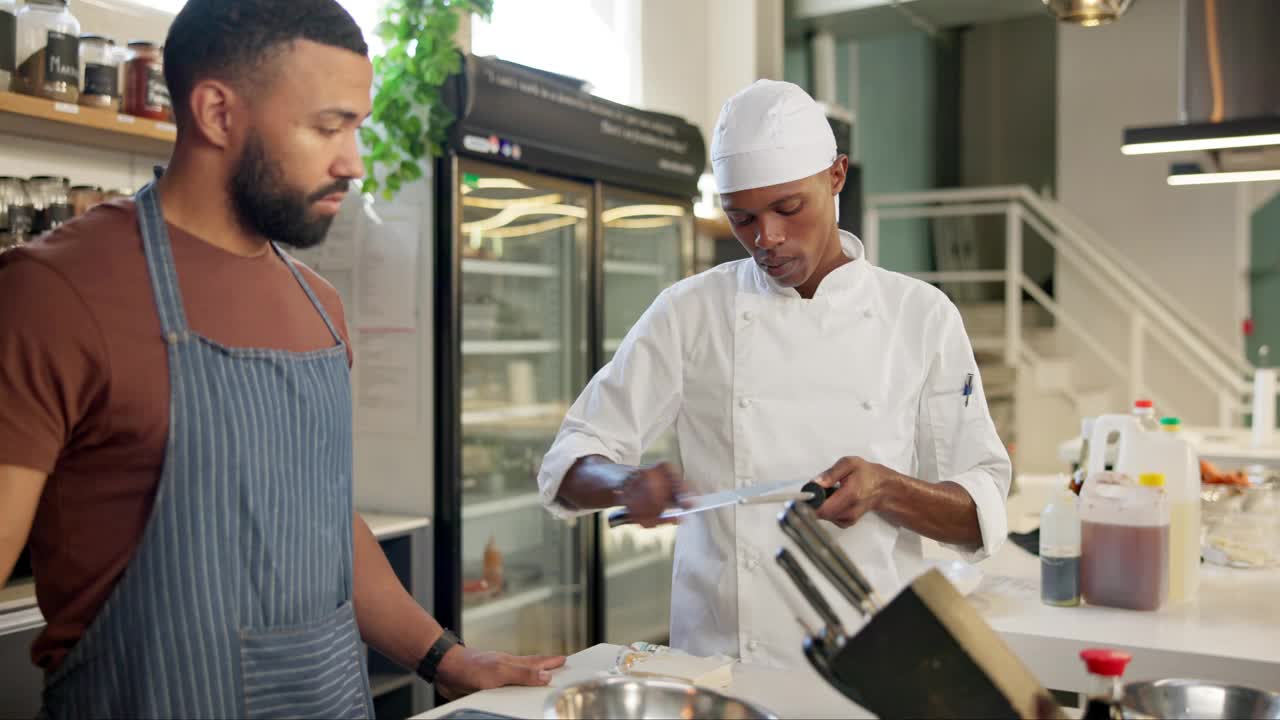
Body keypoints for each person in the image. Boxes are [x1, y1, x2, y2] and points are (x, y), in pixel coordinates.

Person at [0, 1, 563, 717]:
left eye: (356, 128)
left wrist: (446, 657)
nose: (352, 162)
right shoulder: (55, 291)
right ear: (216, 112)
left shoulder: (319, 307)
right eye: (328, 127)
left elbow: (325, 521)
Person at [537, 80, 1011, 668]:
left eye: (789, 208)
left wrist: (887, 487)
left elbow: (978, 508)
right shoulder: (691, 311)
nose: (767, 239)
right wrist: (624, 482)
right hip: (723, 670)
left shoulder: (921, 316)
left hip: (875, 668)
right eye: (742, 217)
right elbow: (570, 457)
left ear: (836, 177)